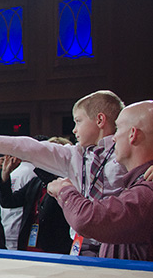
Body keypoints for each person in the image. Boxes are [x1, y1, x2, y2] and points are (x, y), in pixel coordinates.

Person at [0, 90, 127, 256]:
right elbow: (33, 148)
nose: (74, 130)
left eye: (78, 121)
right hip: (80, 246)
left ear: (99, 120)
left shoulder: (129, 153)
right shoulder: (75, 155)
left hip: (118, 245)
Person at [47, 101, 153, 260]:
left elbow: (88, 220)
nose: (114, 138)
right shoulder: (139, 183)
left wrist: (65, 190)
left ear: (133, 134)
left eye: (117, 129)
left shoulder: (147, 191)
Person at [0, 156, 72, 253]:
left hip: (53, 247)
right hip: (28, 243)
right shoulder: (36, 182)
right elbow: (8, 202)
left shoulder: (67, 185)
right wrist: (5, 175)